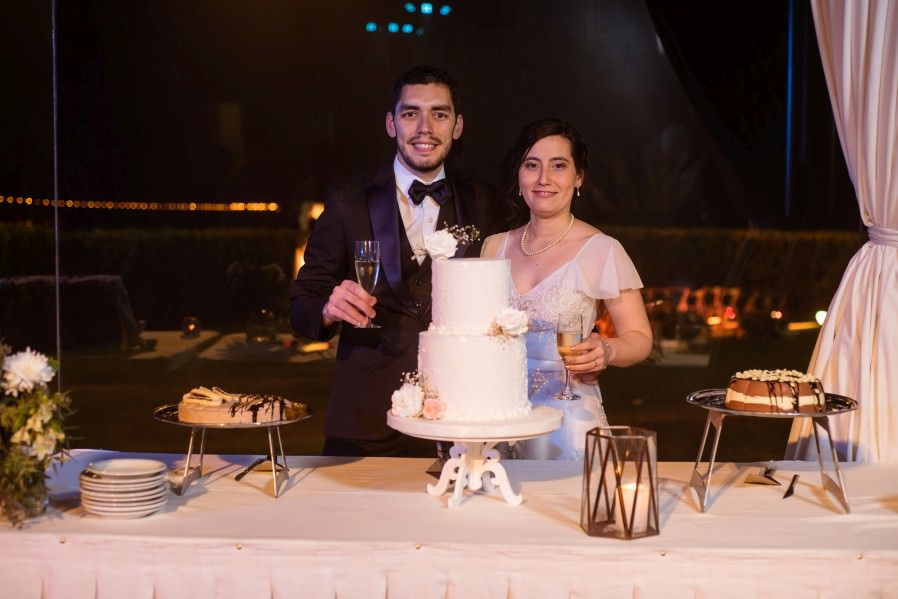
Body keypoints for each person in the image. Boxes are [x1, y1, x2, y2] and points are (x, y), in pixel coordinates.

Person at [290, 65, 506, 457]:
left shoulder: (484, 200)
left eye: (439, 114)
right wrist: (327, 309)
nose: (425, 128)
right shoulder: (348, 199)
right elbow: (302, 303)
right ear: (391, 124)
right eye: (410, 113)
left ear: (457, 126)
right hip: (366, 420)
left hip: (460, 420)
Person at [481, 118, 653, 460]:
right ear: (519, 176)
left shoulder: (601, 249)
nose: (544, 178)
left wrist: (607, 351)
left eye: (558, 166)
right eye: (532, 165)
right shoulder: (494, 247)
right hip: (498, 414)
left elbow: (640, 338)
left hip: (567, 418)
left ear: (578, 178)